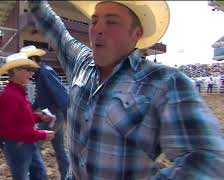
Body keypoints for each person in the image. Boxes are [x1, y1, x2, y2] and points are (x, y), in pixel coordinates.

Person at [29, 1, 224, 179]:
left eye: (111, 22)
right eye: (94, 21)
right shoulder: (81, 62)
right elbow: (55, 28)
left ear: (136, 34)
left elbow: (208, 157)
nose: (98, 29)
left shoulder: (164, 82)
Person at [0, 52, 55, 180]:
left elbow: (22, 118)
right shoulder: (11, 95)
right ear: (16, 70)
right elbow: (12, 130)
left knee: (39, 173)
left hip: (24, 141)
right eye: (28, 69)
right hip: (17, 143)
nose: (31, 73)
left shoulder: (17, 92)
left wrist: (40, 118)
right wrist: (42, 134)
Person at [20, 45, 69, 180]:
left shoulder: (45, 73)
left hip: (53, 116)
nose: (27, 69)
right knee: (60, 150)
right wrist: (29, 109)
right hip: (55, 116)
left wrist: (66, 118)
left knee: (32, 147)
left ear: (34, 59)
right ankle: (67, 176)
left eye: (27, 64)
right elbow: (41, 98)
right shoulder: (42, 74)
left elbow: (63, 96)